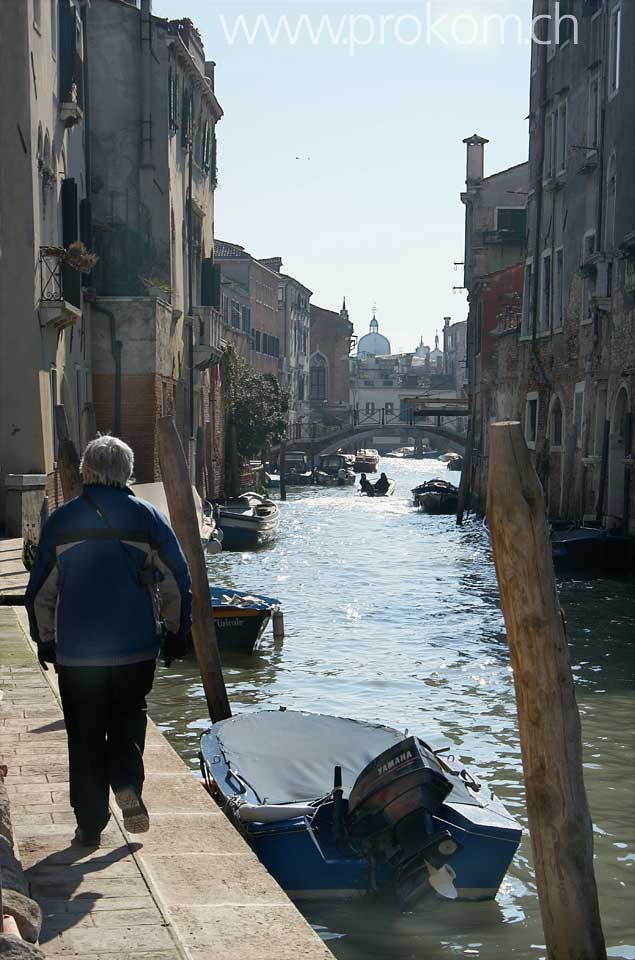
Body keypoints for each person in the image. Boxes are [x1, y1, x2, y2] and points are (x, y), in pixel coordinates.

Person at [25, 436, 192, 847]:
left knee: (83, 735)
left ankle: (90, 824)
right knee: (129, 719)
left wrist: (45, 640)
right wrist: (176, 632)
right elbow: (177, 582)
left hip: (79, 655)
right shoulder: (148, 518)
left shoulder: (62, 522)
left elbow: (40, 592)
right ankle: (126, 781)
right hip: (134, 648)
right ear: (127, 471)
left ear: (86, 470)